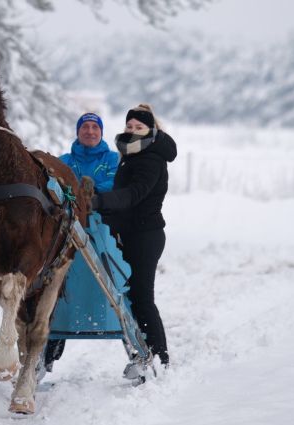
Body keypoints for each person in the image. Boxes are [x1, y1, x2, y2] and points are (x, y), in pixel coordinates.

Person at [91, 104, 177, 366]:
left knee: (141, 297)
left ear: (150, 130)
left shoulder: (151, 159)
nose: (132, 131)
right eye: (129, 126)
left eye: (138, 127)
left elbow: (133, 195)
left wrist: (97, 201)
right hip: (129, 233)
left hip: (145, 235)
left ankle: (159, 356)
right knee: (129, 297)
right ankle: (144, 351)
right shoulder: (131, 156)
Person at [43, 112, 119, 373]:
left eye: (94, 127)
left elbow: (115, 184)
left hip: (102, 231)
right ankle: (48, 352)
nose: (89, 131)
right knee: (59, 290)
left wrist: (92, 189)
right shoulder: (64, 161)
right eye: (84, 127)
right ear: (77, 132)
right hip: (66, 235)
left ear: (101, 132)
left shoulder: (112, 159)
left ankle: (127, 335)